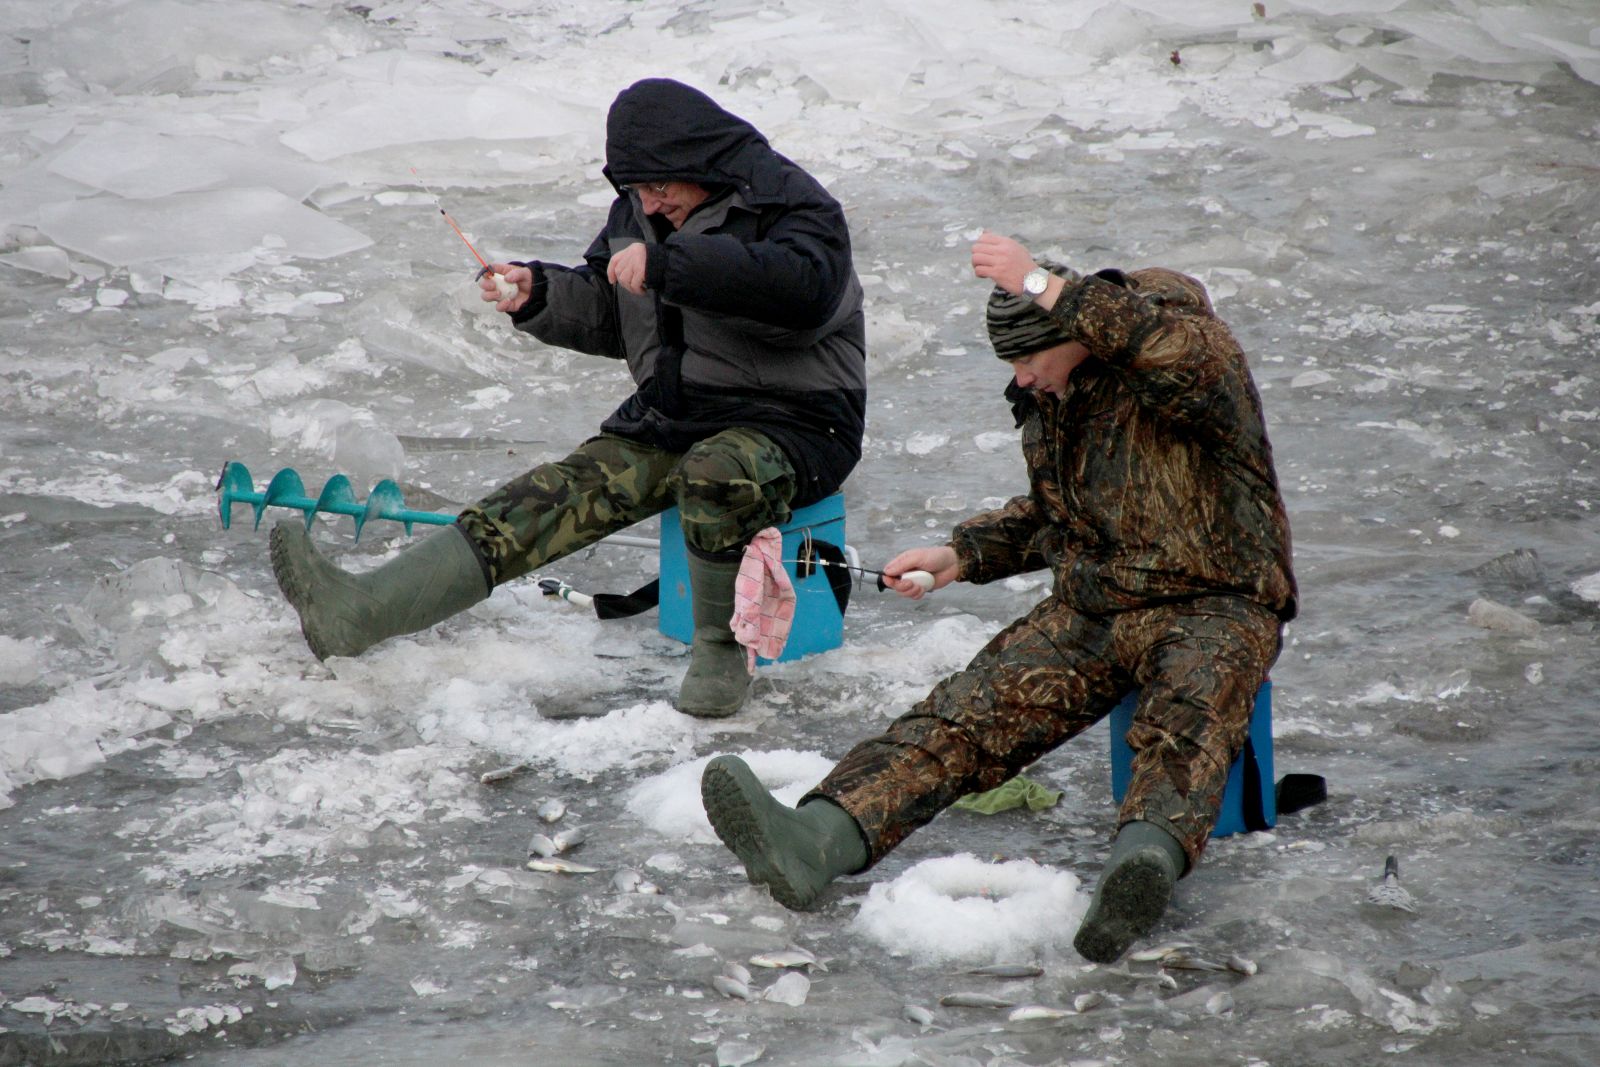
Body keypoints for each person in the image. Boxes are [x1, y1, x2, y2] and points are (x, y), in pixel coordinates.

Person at [700, 231, 1296, 962]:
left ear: (1069, 328)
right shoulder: (1052, 397)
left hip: (1217, 601)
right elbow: (1059, 511)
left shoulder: (1192, 359)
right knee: (963, 715)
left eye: (1027, 358)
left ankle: (1138, 869)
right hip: (1095, 608)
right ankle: (818, 837)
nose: (1021, 378)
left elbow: (1161, 346)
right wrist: (962, 554)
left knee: (1188, 723)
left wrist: (1041, 282)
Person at [268, 78, 867, 718]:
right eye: (636, 191)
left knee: (714, 473)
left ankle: (721, 650)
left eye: (660, 188)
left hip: (798, 423)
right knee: (554, 494)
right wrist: (541, 294)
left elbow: (803, 295)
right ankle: (362, 613)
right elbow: (617, 312)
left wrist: (673, 265)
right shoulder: (641, 212)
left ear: (702, 163)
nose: (650, 205)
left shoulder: (792, 207)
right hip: (679, 412)